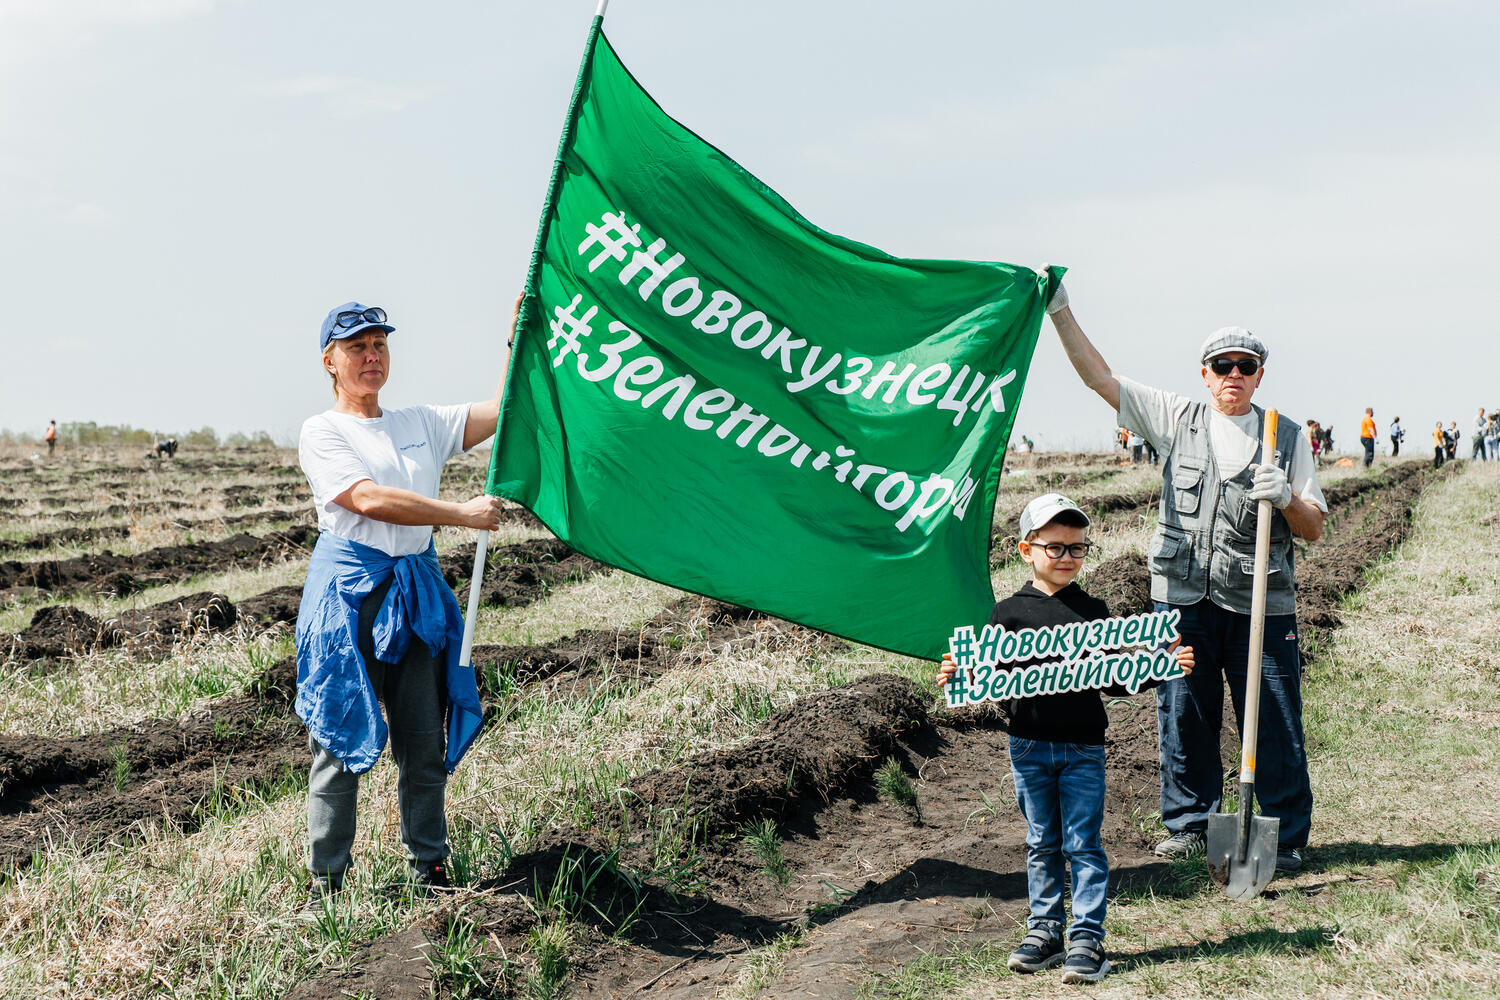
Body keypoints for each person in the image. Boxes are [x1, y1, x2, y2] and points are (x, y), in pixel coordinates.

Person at [1042, 273, 1325, 875]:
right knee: (1183, 710)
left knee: (1274, 715)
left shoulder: (1288, 437)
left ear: (1258, 374)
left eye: (1244, 365)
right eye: (1221, 365)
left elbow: (1315, 528)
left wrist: (1288, 499)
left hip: (1261, 604)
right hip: (1184, 598)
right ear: (1204, 372)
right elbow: (1099, 377)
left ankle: (1285, 833)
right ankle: (1192, 824)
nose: (1232, 375)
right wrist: (1061, 312)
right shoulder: (1175, 417)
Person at [295, 296, 518, 905]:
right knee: (339, 741)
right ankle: (328, 888)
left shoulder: (418, 423)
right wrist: (459, 514)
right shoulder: (323, 432)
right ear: (330, 362)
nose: (372, 356)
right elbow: (366, 500)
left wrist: (513, 340)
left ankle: (430, 870)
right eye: (357, 348)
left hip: (415, 596)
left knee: (423, 741)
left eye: (380, 345)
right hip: (350, 599)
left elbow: (506, 410)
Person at [935, 493, 1194, 984]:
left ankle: (1088, 939)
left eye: (1077, 548)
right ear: (1025, 550)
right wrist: (959, 673)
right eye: (1055, 547)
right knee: (1041, 841)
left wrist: (1161, 668)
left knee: (1084, 843)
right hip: (1028, 745)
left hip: (1083, 746)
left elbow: (1115, 679)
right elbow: (990, 675)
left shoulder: (1092, 611)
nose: (1067, 558)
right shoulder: (1007, 614)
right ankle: (1044, 931)